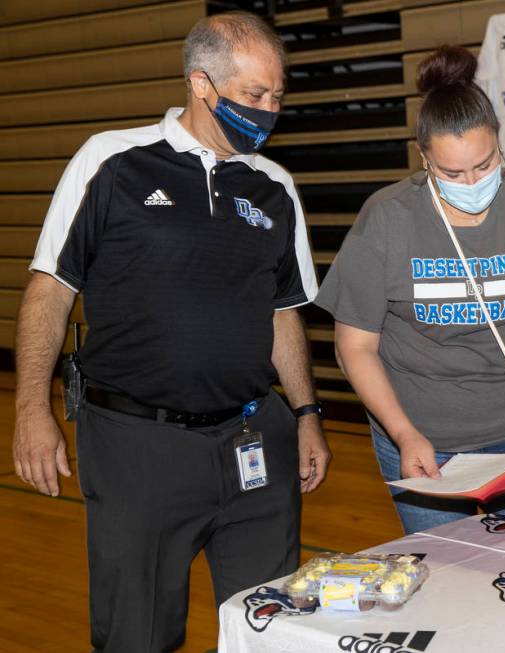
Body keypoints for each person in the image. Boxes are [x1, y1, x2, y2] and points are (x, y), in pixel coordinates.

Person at [12, 12, 329, 651]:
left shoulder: (276, 187)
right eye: (253, 95)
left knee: (273, 626)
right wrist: (30, 409)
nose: (269, 110)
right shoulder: (111, 161)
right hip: (137, 445)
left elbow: (283, 312)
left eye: (277, 96)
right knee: (138, 635)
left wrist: (306, 414)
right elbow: (50, 291)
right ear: (201, 84)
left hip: (252, 438)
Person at [316, 45, 505, 534]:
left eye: (485, 166)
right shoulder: (387, 217)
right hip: (423, 438)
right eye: (451, 173)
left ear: (500, 146)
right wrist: (403, 434)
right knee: (447, 579)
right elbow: (354, 346)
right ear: (423, 157)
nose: (471, 183)